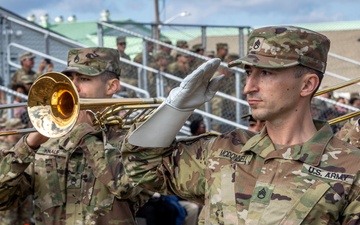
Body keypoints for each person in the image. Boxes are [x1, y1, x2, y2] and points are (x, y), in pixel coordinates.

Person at [121, 26, 360, 224]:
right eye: (248, 73)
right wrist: (175, 109)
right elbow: (141, 167)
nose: (248, 87)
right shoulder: (222, 150)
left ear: (307, 85)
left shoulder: (351, 168)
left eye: (266, 73)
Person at [0, 47, 152, 224]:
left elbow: (125, 187)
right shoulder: (50, 140)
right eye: (71, 78)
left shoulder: (136, 138)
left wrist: (84, 134)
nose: (74, 86)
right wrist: (28, 145)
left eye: (84, 79)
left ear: (112, 86)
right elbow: (3, 199)